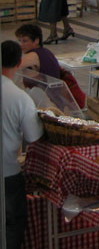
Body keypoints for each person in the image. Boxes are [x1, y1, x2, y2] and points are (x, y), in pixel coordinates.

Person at [2, 40, 44, 249]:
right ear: (19, 63)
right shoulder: (21, 98)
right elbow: (33, 136)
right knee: (11, 226)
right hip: (7, 173)